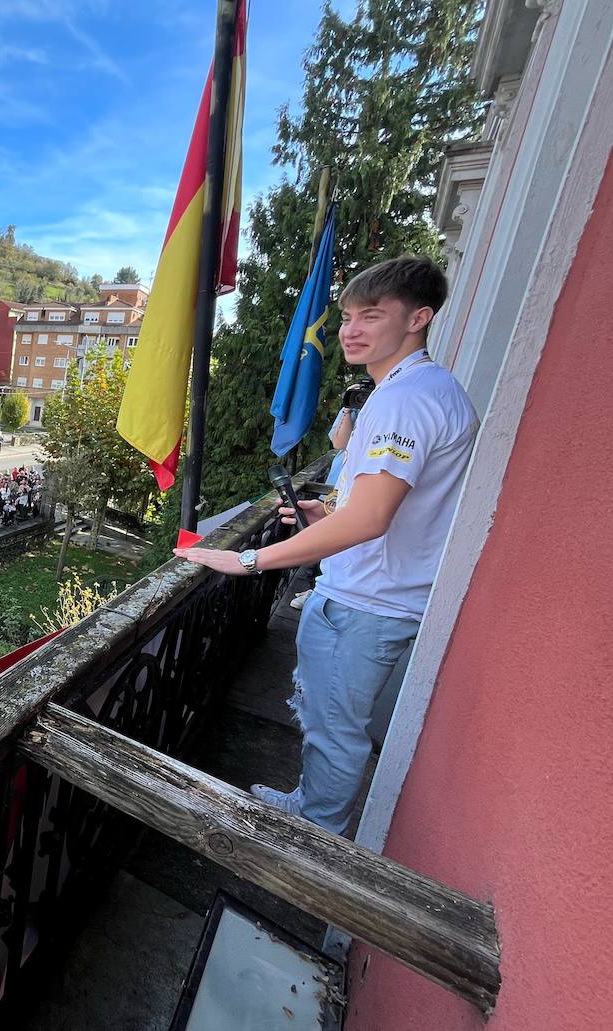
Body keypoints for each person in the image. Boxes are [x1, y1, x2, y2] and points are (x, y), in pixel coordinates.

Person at [174, 257, 478, 835]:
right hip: (377, 594)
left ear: (418, 318)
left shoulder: (405, 399)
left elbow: (370, 519)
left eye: (372, 316)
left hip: (368, 601)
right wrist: (328, 513)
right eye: (346, 317)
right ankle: (310, 807)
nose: (351, 331)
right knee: (327, 719)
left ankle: (313, 837)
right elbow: (379, 505)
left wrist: (248, 559)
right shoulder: (418, 390)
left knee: (334, 731)